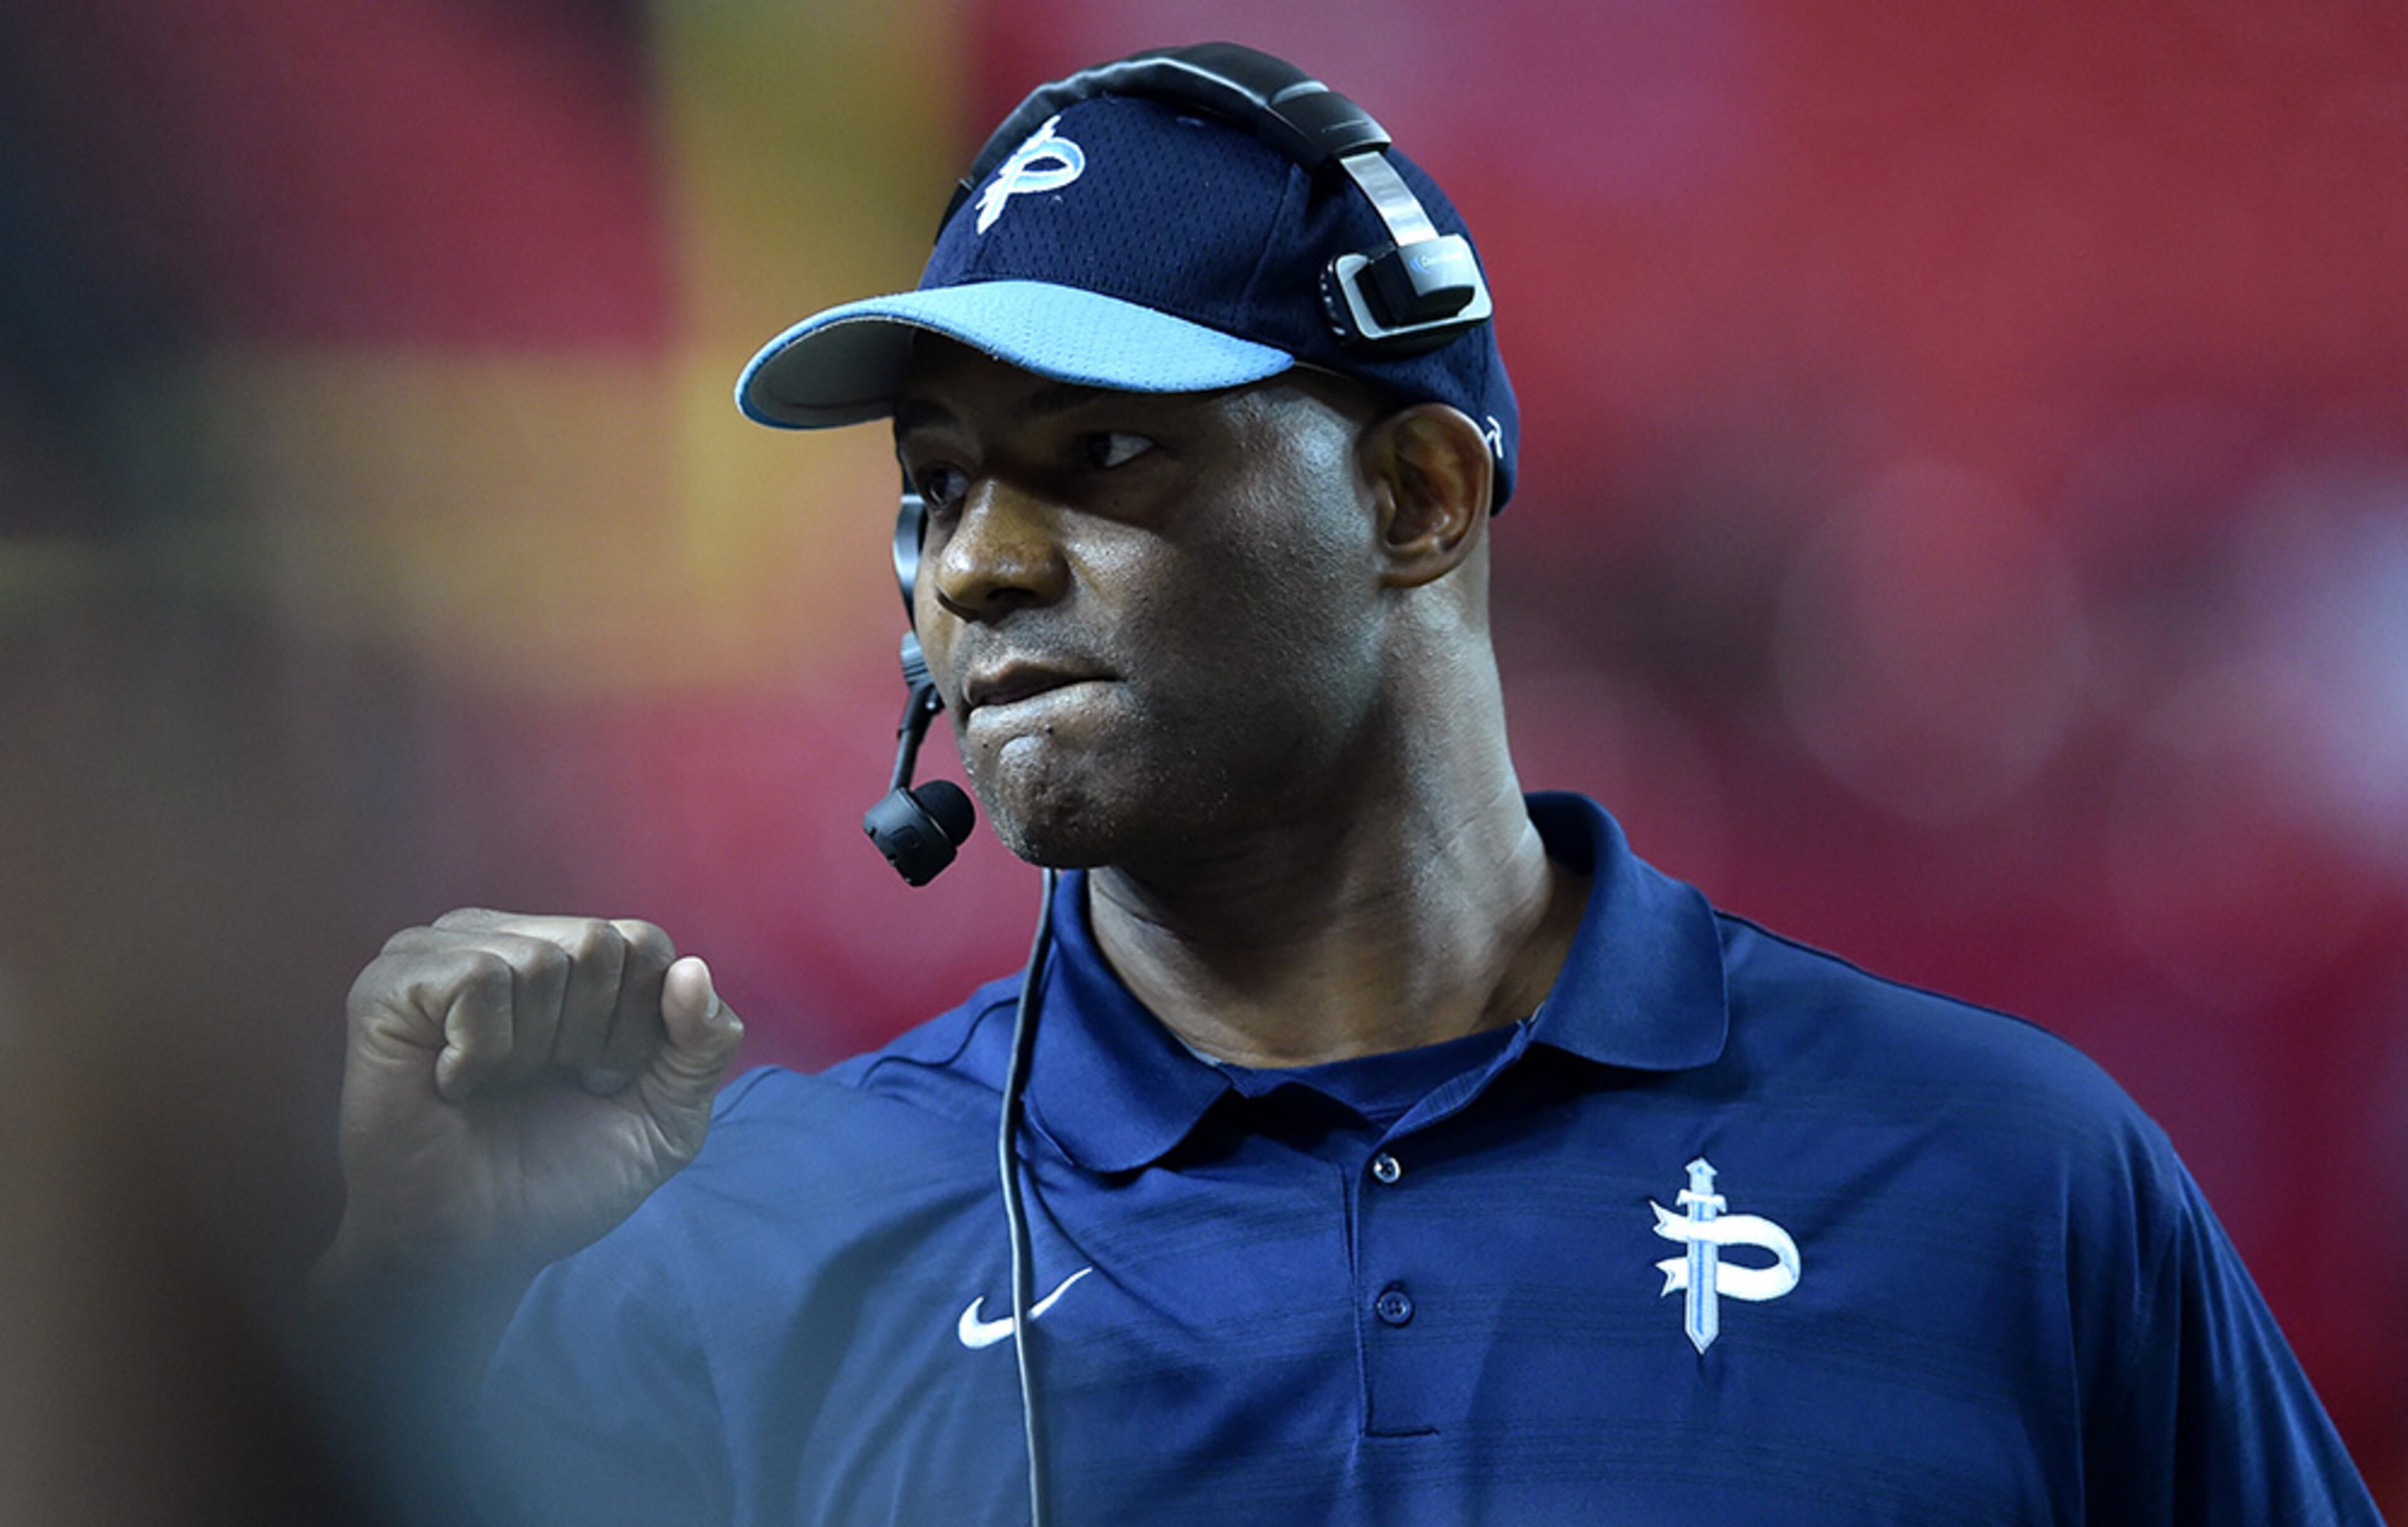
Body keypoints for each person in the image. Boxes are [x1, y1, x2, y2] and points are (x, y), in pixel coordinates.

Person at [312, 43, 2382, 1527]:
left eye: (1102, 451)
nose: (974, 561)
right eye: (932, 484)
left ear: (1411, 494)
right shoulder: (756, 1241)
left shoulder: (2004, 1185)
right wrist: (408, 1306)